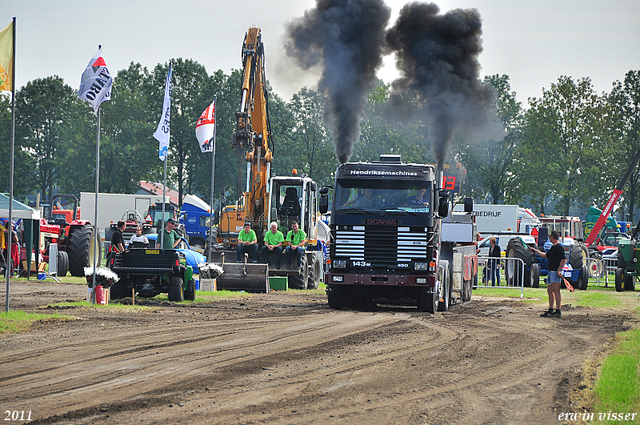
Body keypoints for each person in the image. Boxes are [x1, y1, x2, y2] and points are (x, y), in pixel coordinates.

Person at [530, 231, 566, 318]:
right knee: (550, 290)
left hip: (554, 271)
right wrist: (535, 251)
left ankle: (558, 310)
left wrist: (559, 270)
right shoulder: (553, 248)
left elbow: (563, 259)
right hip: (551, 271)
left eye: (550, 236)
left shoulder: (559, 247)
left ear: (553, 237)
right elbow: (546, 255)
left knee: (556, 290)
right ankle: (551, 309)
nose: (549, 238)